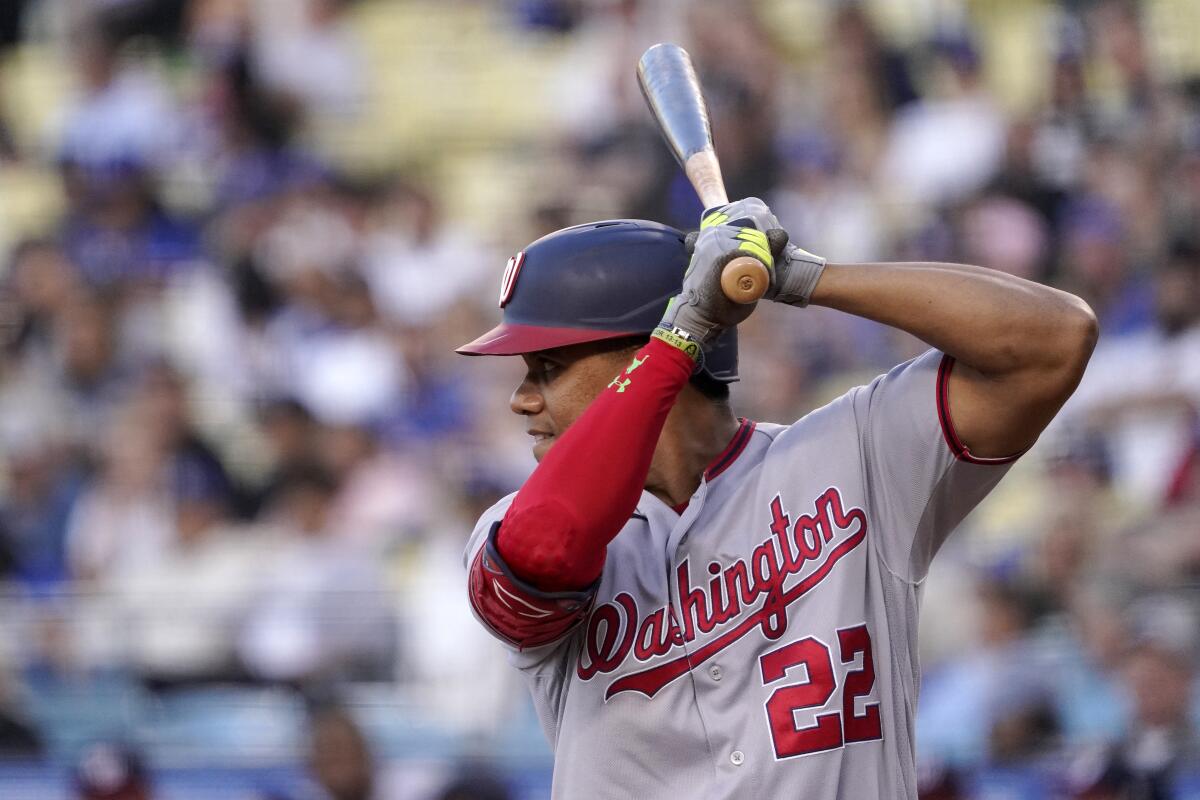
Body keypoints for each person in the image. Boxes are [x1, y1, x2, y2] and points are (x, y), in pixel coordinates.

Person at [456, 198, 1097, 799]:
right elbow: (547, 545)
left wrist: (803, 278)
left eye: (548, 367)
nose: (523, 398)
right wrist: (682, 331)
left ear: (637, 354)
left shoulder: (855, 453)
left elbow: (1054, 342)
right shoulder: (510, 523)